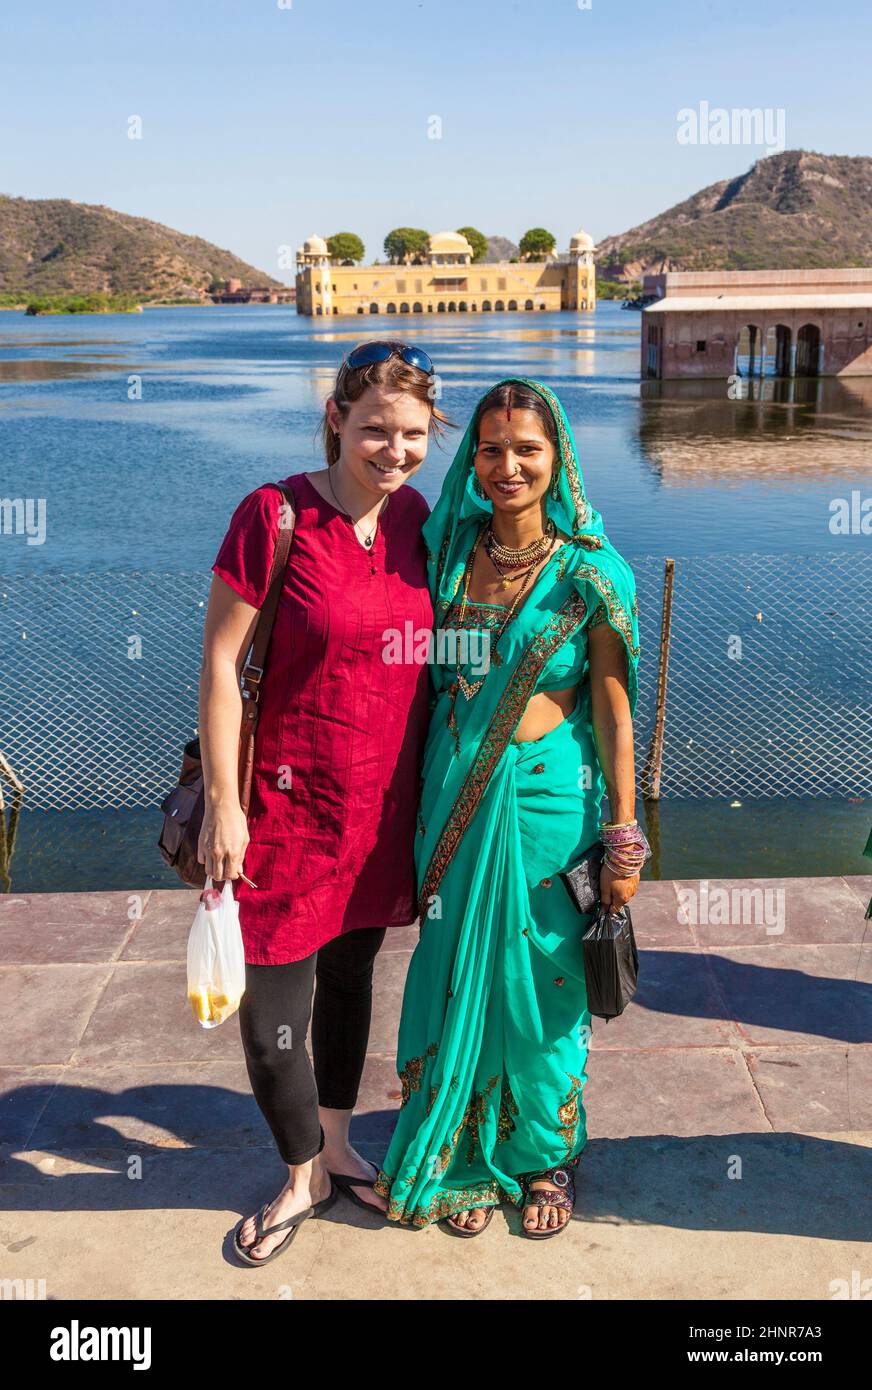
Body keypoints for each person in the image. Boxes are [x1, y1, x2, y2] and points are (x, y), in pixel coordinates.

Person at [373, 376, 644, 1237]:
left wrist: (625, 837)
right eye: (490, 449)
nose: (507, 466)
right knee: (454, 974)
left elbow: (612, 708)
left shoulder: (591, 574)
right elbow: (437, 673)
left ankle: (540, 1160)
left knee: (543, 986)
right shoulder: (450, 554)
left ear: (557, 457)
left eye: (526, 448)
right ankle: (459, 1149)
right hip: (454, 803)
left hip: (546, 809)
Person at [198, 341, 449, 1264]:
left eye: (414, 433)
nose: (394, 449)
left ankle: (337, 1145)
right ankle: (298, 1172)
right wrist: (227, 803)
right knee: (272, 1018)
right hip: (283, 808)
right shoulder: (275, 515)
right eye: (376, 427)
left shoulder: (419, 516)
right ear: (337, 417)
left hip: (381, 807)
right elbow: (222, 663)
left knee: (350, 983)